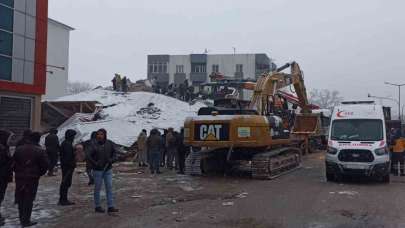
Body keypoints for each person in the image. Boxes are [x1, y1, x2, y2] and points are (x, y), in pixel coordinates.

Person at [13, 132, 49, 227]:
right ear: (37, 139)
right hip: (32, 178)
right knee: (29, 199)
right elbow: (45, 165)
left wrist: (18, 172)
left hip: (20, 178)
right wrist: (39, 173)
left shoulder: (19, 149)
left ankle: (22, 219)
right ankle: (26, 220)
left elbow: (13, 163)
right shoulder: (40, 150)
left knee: (21, 198)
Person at [85, 129, 119, 213]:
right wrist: (95, 163)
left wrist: (112, 160)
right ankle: (97, 206)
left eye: (101, 134)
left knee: (109, 187)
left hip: (108, 169)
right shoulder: (93, 144)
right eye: (98, 134)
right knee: (97, 188)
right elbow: (88, 155)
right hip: (97, 170)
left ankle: (110, 206)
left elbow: (115, 153)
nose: (99, 136)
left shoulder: (109, 143)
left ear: (105, 135)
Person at [58, 129, 77, 206]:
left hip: (66, 166)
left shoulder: (66, 143)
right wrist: (72, 163)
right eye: (73, 136)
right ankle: (63, 200)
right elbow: (68, 157)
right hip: (67, 167)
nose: (74, 138)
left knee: (66, 182)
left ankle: (63, 199)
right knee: (65, 183)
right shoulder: (67, 144)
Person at [0, 130, 13, 226]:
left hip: (3, 177)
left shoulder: (5, 148)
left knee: (1, 197)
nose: (10, 140)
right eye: (9, 138)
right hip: (1, 177)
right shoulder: (1, 150)